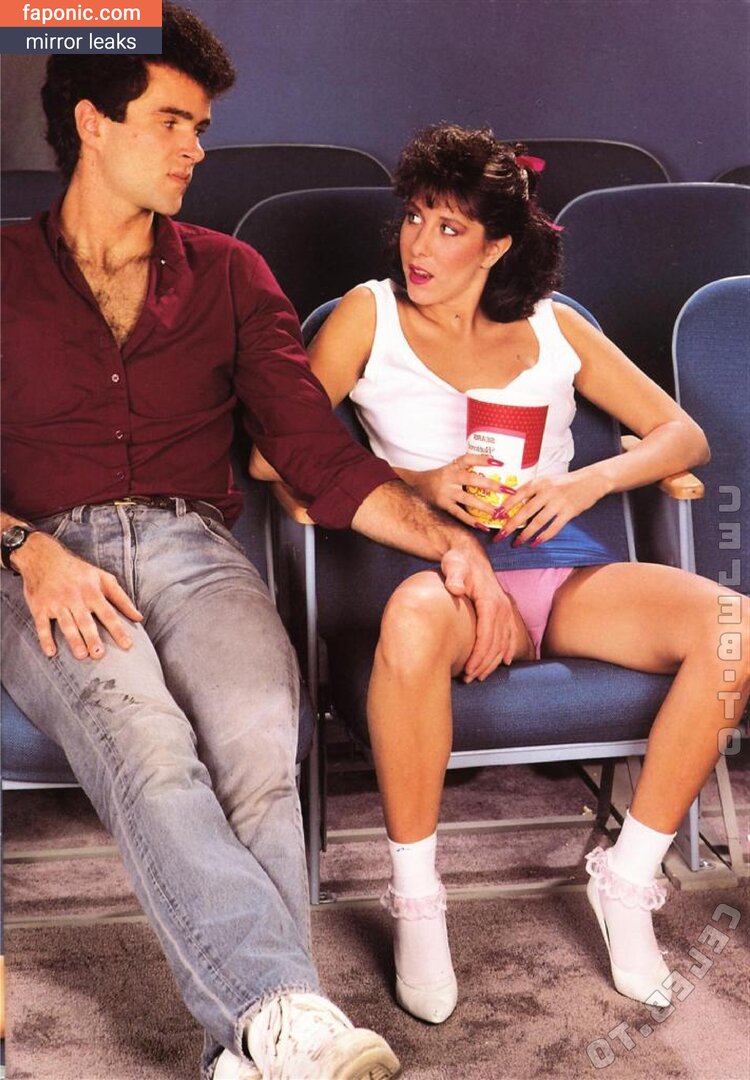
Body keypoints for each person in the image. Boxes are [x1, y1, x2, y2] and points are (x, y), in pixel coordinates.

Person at [0, 15, 514, 1078]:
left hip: (194, 548)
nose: (197, 148)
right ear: (93, 124)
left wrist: (448, 544)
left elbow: (316, 455)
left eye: (202, 126)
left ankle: (248, 1051)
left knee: (261, 747)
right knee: (148, 743)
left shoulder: (232, 274)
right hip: (39, 561)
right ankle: (285, 1016)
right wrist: (25, 551)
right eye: (173, 122)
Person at [282, 125, 749, 1024]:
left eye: (450, 228)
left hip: (560, 571)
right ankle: (418, 900)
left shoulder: (555, 323)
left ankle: (627, 880)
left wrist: (585, 483)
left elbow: (682, 435)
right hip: (436, 579)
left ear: (496, 245)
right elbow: (278, 456)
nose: (420, 244)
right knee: (414, 620)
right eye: (415, 217)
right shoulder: (368, 315)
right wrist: (420, 479)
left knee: (733, 628)